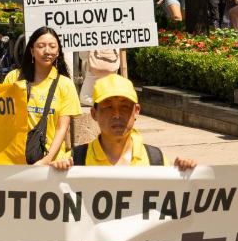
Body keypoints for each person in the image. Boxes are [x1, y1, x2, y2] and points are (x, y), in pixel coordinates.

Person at [62, 74, 198, 173]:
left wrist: (180, 176)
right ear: (94, 114)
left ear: (136, 111)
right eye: (108, 107)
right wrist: (55, 174)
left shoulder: (155, 159)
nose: (117, 114)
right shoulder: (75, 160)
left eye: (125, 106)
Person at [3, 26, 81, 163]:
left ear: (58, 52)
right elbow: (1, 117)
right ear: (32, 51)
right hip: (14, 161)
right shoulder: (13, 78)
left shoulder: (66, 85)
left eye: (52, 46)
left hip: (53, 164)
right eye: (41, 46)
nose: (47, 51)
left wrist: (46, 160)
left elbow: (62, 128)